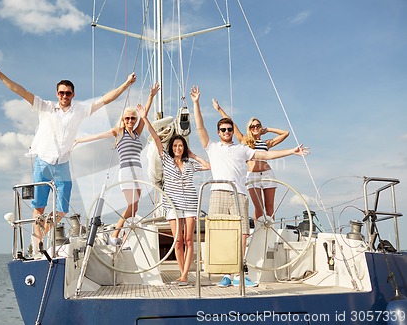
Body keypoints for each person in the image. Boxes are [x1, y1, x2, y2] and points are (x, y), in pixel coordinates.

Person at [0, 58, 136, 256]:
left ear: (73, 94)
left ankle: (41, 237)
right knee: (39, 208)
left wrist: (126, 84)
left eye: (68, 93)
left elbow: (106, 99)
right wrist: (0, 75)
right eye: (61, 92)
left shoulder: (79, 110)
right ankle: (37, 247)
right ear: (57, 94)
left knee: (61, 209)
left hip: (62, 164)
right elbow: (20, 91)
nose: (64, 95)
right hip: (43, 163)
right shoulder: (45, 107)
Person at [191, 86, 308, 287]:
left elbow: (267, 155)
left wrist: (291, 151)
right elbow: (200, 127)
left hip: (239, 194)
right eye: (223, 130)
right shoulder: (211, 147)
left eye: (229, 129)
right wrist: (196, 104)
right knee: (219, 233)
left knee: (243, 233)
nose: (227, 132)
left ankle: (238, 273)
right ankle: (225, 274)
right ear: (218, 132)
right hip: (218, 192)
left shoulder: (243, 149)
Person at [139, 83, 210, 286]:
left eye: (181, 146)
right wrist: (145, 118)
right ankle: (182, 274)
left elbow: (208, 165)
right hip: (172, 205)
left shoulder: (190, 163)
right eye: (176, 145)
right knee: (177, 242)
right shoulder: (167, 160)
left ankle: (185, 276)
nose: (178, 147)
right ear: (172, 148)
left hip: (189, 204)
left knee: (189, 241)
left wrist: (193, 154)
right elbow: (155, 137)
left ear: (184, 148)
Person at [74, 87, 152, 246]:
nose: (130, 121)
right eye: (127, 118)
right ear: (123, 120)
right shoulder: (119, 132)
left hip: (138, 171)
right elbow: (99, 136)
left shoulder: (137, 133)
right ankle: (115, 235)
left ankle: (123, 238)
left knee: (135, 208)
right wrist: (80, 140)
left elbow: (145, 115)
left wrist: (151, 95)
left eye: (132, 118)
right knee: (130, 206)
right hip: (126, 172)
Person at [212, 100, 289, 220]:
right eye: (252, 126)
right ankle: (258, 233)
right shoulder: (244, 141)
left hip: (268, 174)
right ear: (249, 128)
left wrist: (268, 129)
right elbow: (231, 123)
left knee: (270, 208)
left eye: (258, 125)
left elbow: (285, 133)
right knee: (259, 207)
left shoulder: (266, 143)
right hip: (252, 176)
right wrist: (219, 109)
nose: (255, 128)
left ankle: (270, 235)